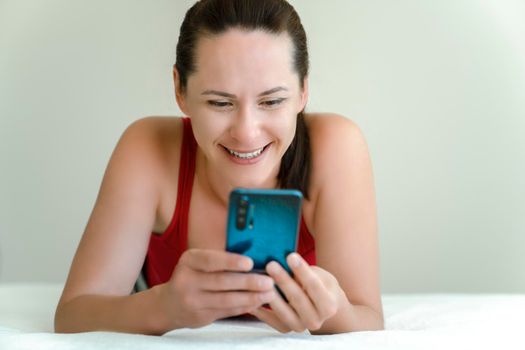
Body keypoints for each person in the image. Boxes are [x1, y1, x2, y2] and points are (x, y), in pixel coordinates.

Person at [54, 0, 384, 335]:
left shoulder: (336, 147)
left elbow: (367, 319)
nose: (246, 132)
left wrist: (332, 312)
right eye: (220, 103)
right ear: (180, 91)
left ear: (303, 91)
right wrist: (166, 306)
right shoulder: (147, 149)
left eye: (271, 101)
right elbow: (73, 315)